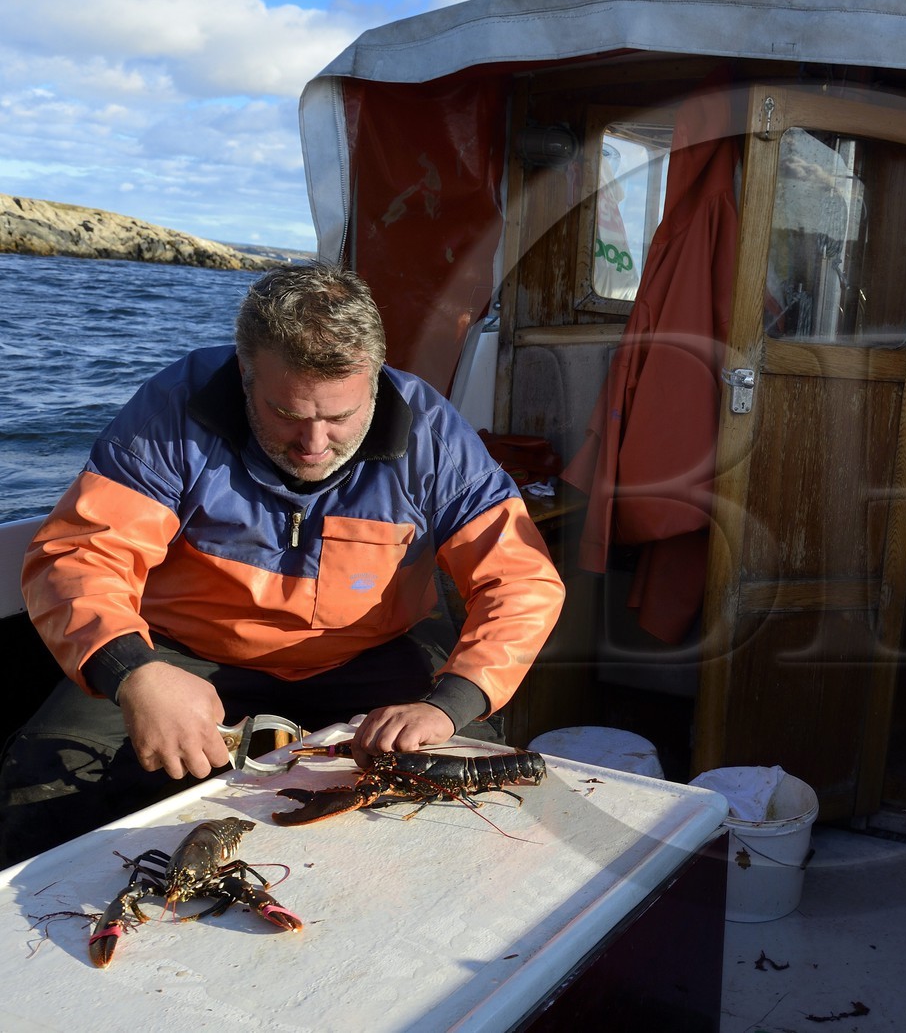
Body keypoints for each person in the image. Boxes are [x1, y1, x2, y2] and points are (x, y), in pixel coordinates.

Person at [2, 262, 566, 865]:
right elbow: (80, 553)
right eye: (288, 414)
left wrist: (448, 705)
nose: (314, 444)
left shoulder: (436, 437)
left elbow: (522, 580)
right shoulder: (173, 411)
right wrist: (132, 671)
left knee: (469, 778)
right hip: (182, 650)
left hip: (372, 652)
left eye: (341, 417)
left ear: (375, 382)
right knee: (42, 778)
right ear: (245, 377)